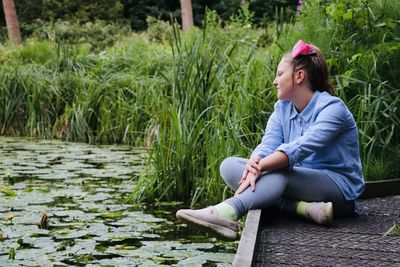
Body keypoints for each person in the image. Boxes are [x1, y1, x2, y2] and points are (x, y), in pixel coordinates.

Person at [176, 40, 365, 241]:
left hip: (339, 190)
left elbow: (302, 148)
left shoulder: (333, 108)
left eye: (280, 74)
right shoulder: (282, 108)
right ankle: (302, 208)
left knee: (278, 173)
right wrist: (255, 161)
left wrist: (262, 167)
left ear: (299, 76)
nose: (275, 81)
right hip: (297, 184)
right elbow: (268, 143)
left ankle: (227, 213)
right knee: (228, 166)